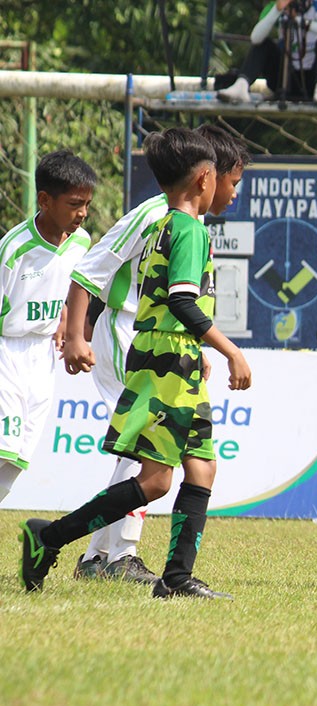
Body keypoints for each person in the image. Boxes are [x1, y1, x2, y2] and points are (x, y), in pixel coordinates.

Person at [19, 128, 253, 599]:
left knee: (201, 468)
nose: (231, 191)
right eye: (228, 180)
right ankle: (53, 537)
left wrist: (197, 349)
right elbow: (182, 302)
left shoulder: (172, 223)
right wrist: (230, 350)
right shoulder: (186, 229)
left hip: (178, 355)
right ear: (205, 178)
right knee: (155, 480)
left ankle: (177, 578)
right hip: (165, 360)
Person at [0, 150, 95, 505]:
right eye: (74, 204)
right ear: (44, 200)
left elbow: (72, 285)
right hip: (7, 351)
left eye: (87, 204)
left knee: (17, 460)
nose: (82, 213)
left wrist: (66, 318)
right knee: (4, 448)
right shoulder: (14, 248)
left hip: (43, 357)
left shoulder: (81, 243)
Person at [217, 0, 317, 105]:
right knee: (264, 43)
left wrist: (305, 24)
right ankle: (241, 85)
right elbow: (255, 38)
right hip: (287, 78)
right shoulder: (277, 5)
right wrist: (277, 9)